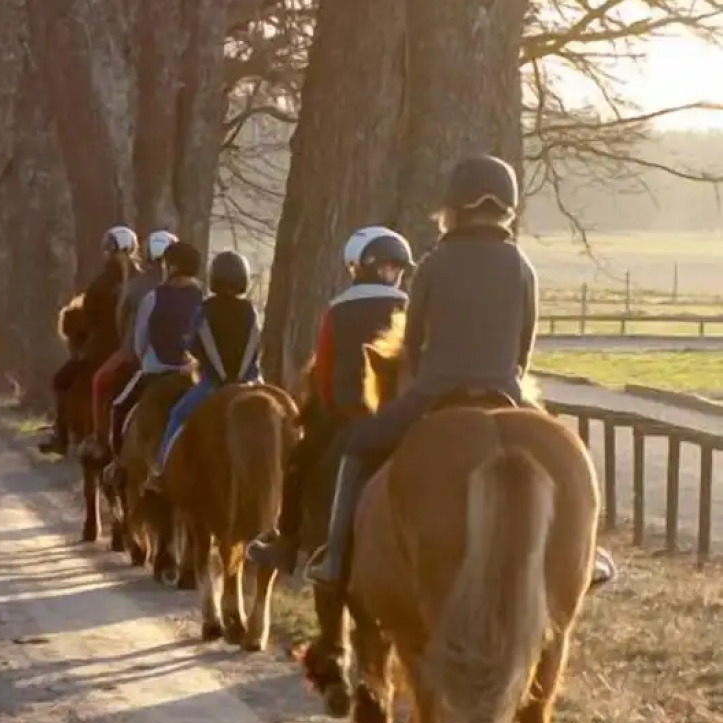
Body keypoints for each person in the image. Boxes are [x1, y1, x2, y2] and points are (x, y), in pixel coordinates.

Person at [305, 153, 615, 590]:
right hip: (506, 391)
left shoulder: (435, 263)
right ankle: (588, 552)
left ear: (453, 208)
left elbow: (412, 343)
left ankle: (335, 557)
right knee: (567, 456)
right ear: (507, 207)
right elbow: (523, 348)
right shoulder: (522, 266)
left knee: (358, 443)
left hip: (433, 392)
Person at [245, 227, 413, 572]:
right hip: (402, 413)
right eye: (389, 267)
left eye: (394, 268)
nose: (392, 274)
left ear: (356, 266)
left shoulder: (339, 309)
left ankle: (287, 542)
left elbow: (324, 364)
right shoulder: (408, 306)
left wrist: (326, 405)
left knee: (298, 464)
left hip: (346, 413)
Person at [144, 249, 263, 493]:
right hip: (250, 384)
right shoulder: (250, 311)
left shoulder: (205, 309)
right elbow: (257, 344)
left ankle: (160, 471)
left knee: (177, 416)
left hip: (212, 386)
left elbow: (195, 346)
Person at [105, 240, 204, 477]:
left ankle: (118, 466)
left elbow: (140, 341)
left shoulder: (153, 298)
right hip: (195, 376)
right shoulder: (203, 298)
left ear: (170, 267)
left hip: (156, 373)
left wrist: (148, 359)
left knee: (119, 408)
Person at [37, 225, 139, 455]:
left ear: (110, 250)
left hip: (101, 351)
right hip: (137, 352)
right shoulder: (140, 281)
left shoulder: (101, 283)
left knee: (61, 380)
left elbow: (88, 318)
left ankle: (60, 436)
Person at [81, 229, 177, 464]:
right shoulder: (189, 288)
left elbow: (120, 317)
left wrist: (127, 343)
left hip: (136, 354)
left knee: (101, 383)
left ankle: (103, 442)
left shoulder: (136, 286)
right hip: (181, 361)